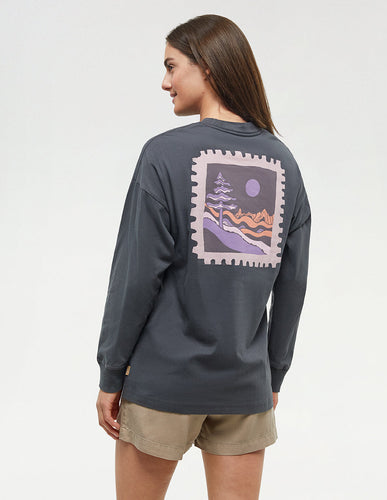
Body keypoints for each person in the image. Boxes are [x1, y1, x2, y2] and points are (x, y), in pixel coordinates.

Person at [95, 14, 311, 500]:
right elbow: (293, 285)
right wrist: (273, 374)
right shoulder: (285, 164)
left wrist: (111, 372)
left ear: (207, 67)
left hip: (163, 381)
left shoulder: (163, 155)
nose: (165, 81)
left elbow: (135, 277)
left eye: (172, 66)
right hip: (245, 387)